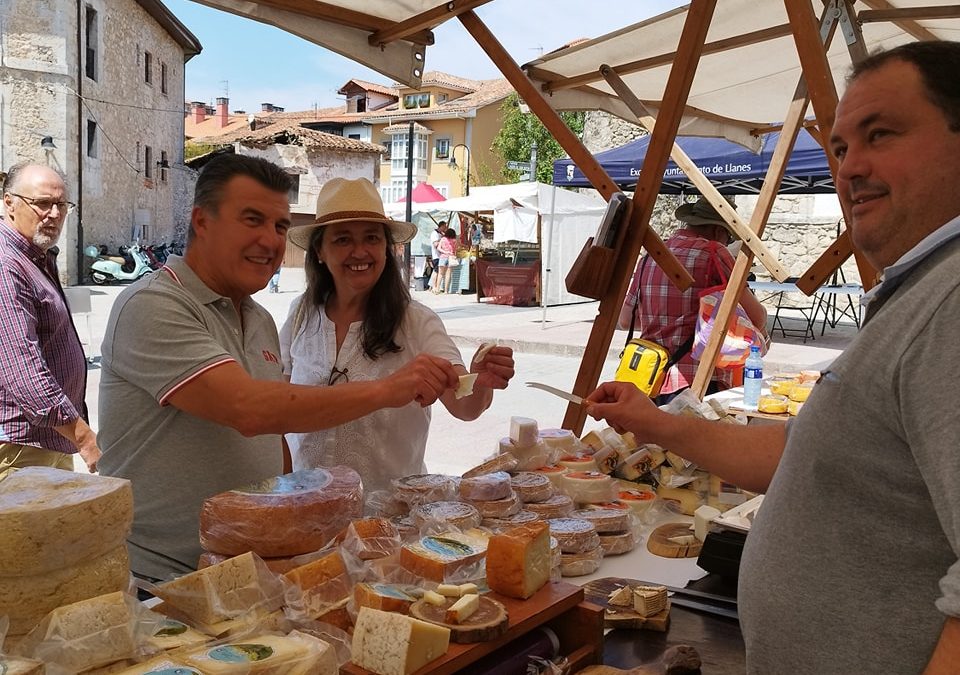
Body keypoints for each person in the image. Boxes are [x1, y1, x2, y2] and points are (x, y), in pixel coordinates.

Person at [587, 41, 960, 673]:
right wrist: (655, 423)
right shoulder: (925, 288)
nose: (849, 167)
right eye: (841, 147)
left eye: (882, 134)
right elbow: (802, 456)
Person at [98, 156, 459, 581]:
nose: (269, 240)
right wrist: (386, 390)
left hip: (249, 570)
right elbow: (252, 410)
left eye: (279, 226)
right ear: (202, 221)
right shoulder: (153, 305)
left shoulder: (259, 319)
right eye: (252, 220)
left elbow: (277, 435)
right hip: (162, 579)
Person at [280, 177, 515, 493]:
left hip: (391, 520)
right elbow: (278, 410)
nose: (360, 251)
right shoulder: (300, 315)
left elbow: (464, 405)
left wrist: (481, 382)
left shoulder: (416, 321)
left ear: (386, 249)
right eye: (343, 239)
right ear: (320, 251)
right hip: (310, 509)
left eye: (372, 238)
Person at [617, 196, 767, 404]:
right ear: (718, 231)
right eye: (728, 237)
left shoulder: (650, 257)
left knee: (651, 437)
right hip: (698, 380)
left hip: (649, 377)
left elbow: (626, 320)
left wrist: (665, 319)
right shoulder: (714, 253)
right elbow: (757, 317)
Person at [0, 163, 99, 477]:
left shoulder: (36, 257)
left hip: (49, 440)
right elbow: (24, 371)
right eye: (42, 203)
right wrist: (84, 438)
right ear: (8, 203)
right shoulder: (6, 264)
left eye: (62, 205)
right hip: (20, 449)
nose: (54, 214)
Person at [436, 227, 459, 294]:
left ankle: (437, 289)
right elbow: (455, 249)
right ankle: (446, 291)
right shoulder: (454, 240)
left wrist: (445, 252)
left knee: (440, 274)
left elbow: (438, 248)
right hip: (451, 257)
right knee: (448, 274)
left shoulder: (443, 239)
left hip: (443, 256)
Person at [429, 220, 446, 294]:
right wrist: (442, 242)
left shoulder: (440, 234)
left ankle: (434, 286)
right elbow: (435, 244)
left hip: (440, 256)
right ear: (441, 226)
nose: (445, 228)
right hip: (436, 256)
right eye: (444, 227)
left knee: (437, 271)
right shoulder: (434, 234)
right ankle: (434, 287)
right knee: (436, 271)